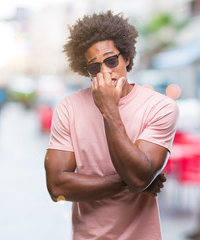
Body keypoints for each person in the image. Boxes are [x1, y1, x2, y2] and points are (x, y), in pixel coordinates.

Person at [44, 11, 179, 240]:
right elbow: (57, 187)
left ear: (125, 57)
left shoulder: (160, 107)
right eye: (95, 68)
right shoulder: (68, 108)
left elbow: (138, 177)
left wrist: (108, 108)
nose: (105, 71)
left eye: (111, 60)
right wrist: (129, 183)